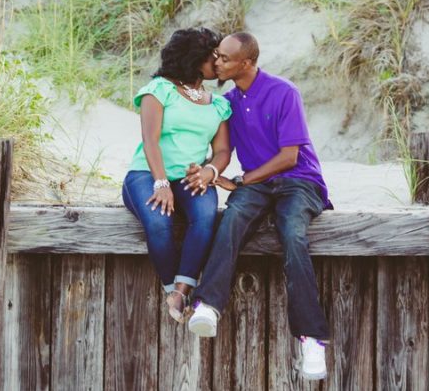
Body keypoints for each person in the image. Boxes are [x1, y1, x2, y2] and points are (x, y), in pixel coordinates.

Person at [185, 32, 332, 380]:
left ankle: (312, 339)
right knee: (232, 219)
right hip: (256, 184)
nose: (216, 62)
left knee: (293, 234)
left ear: (246, 62)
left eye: (223, 57)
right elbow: (223, 152)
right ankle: (208, 304)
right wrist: (206, 171)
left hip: (300, 181)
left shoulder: (284, 91)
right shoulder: (229, 102)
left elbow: (289, 156)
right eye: (216, 56)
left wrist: (242, 181)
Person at [122, 27, 233, 323]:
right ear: (196, 58)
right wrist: (161, 183)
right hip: (147, 173)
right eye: (214, 57)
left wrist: (209, 172)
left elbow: (222, 151)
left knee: (206, 216)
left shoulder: (219, 104)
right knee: (159, 222)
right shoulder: (159, 90)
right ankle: (172, 287)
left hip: (191, 177)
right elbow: (150, 140)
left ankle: (183, 289)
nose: (219, 63)